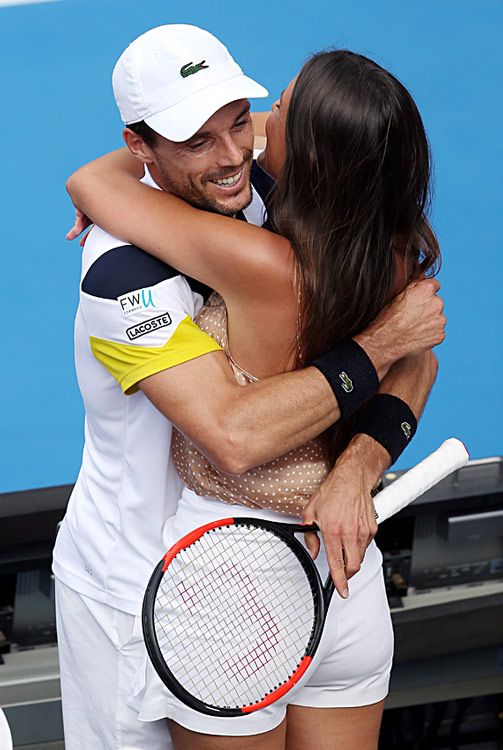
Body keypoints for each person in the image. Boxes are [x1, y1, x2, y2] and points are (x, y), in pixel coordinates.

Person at [62, 25, 444, 750]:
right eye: (199, 138)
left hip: (233, 583)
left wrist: (355, 471)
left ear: (303, 148)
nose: (240, 149)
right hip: (161, 584)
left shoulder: (260, 248)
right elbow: (408, 358)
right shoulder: (384, 247)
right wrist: (381, 352)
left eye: (249, 120)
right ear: (143, 144)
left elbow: (94, 180)